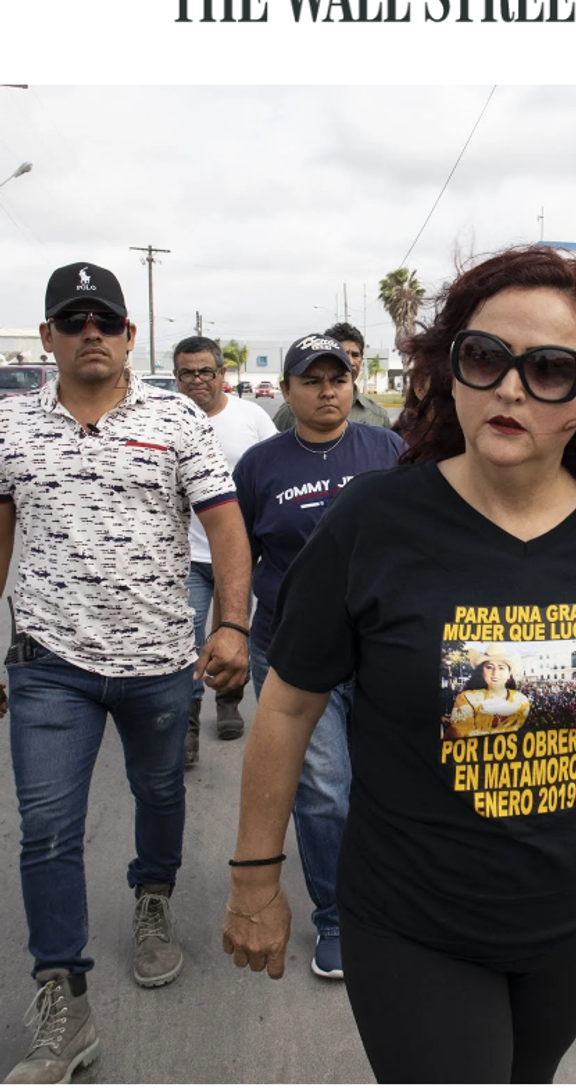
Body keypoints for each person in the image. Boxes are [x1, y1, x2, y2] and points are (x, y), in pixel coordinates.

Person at [222, 247, 576, 1085]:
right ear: (449, 372)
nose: (510, 388)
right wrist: (254, 877)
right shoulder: (370, 522)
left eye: (550, 369)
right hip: (412, 918)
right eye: (485, 357)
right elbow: (286, 707)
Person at [0, 263, 250, 1083]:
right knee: (47, 828)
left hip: (157, 662)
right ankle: (63, 999)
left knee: (161, 792)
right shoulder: (9, 428)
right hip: (49, 665)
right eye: (73, 321)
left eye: (104, 319)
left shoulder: (176, 419)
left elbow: (226, 529)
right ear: (48, 337)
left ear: (129, 333)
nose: (91, 332)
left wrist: (231, 626)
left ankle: (153, 898)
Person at [232, 332, 402, 981]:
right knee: (326, 790)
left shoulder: (388, 449)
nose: (328, 391)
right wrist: (229, 628)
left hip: (381, 646)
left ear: (353, 384)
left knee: (383, 782)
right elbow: (241, 553)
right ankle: (336, 918)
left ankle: (391, 900)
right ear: (287, 390)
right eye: (312, 380)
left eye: (338, 379)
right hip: (292, 650)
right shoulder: (260, 466)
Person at [173, 335, 277, 766]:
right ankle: (188, 722)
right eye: (187, 373)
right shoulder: (165, 420)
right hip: (185, 558)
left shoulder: (251, 417)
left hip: (237, 555)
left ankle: (229, 701)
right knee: (186, 640)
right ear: (176, 377)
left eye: (205, 371)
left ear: (222, 374)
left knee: (231, 631)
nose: (197, 380)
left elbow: (277, 469)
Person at [273, 322, 390, 431]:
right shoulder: (290, 411)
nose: (350, 362)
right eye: (344, 354)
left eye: (355, 355)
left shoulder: (378, 416)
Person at [445, 647, 531, 737]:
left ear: (509, 674)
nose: (495, 673)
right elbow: (462, 733)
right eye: (489, 667)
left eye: (501, 668)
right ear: (482, 672)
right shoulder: (466, 698)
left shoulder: (521, 700)